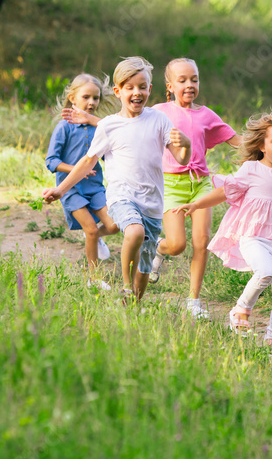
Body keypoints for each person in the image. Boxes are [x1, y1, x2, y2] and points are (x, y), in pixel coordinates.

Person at [175, 111, 272, 356]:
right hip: (251, 236)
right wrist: (196, 205)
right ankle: (240, 310)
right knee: (265, 272)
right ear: (262, 145)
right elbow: (225, 192)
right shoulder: (251, 170)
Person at [43, 57, 191, 302]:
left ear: (150, 89)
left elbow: (181, 159)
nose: (137, 92)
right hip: (122, 197)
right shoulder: (109, 125)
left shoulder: (159, 120)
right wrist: (60, 189)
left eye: (142, 87)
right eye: (129, 87)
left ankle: (131, 306)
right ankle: (125, 284)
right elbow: (87, 161)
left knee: (144, 267)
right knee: (134, 231)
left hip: (153, 203)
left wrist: (186, 144)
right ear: (118, 91)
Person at [148, 58, 241, 319]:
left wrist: (268, 141)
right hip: (171, 184)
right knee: (177, 245)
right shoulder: (159, 112)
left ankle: (193, 300)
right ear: (170, 86)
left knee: (201, 242)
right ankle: (160, 248)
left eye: (194, 79)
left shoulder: (206, 114)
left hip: (200, 183)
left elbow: (237, 141)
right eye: (183, 80)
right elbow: (132, 126)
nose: (190, 85)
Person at [44, 74, 119, 289]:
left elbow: (108, 156)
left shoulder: (99, 128)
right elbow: (51, 161)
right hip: (71, 189)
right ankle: (93, 279)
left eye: (96, 98)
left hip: (95, 188)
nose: (92, 102)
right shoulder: (64, 127)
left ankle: (95, 238)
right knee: (92, 230)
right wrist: (76, 170)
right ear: (72, 98)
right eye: (86, 97)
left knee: (113, 226)